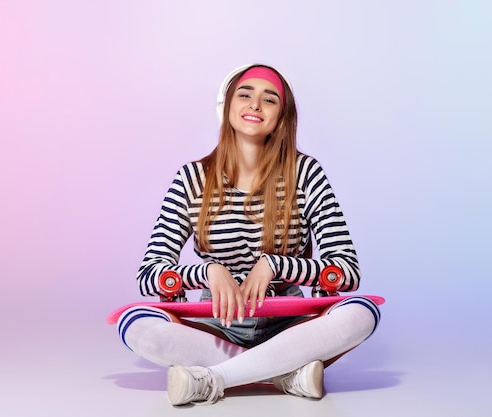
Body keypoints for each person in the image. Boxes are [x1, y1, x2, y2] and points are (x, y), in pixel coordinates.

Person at [116, 64, 381, 406]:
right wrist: (208, 272)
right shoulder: (191, 179)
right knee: (134, 323)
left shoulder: (307, 174)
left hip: (291, 326)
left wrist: (275, 265)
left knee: (361, 312)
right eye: (245, 95)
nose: (255, 105)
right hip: (215, 326)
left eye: (269, 100)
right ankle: (286, 374)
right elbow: (149, 274)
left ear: (281, 118)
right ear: (226, 107)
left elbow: (347, 270)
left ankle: (215, 378)